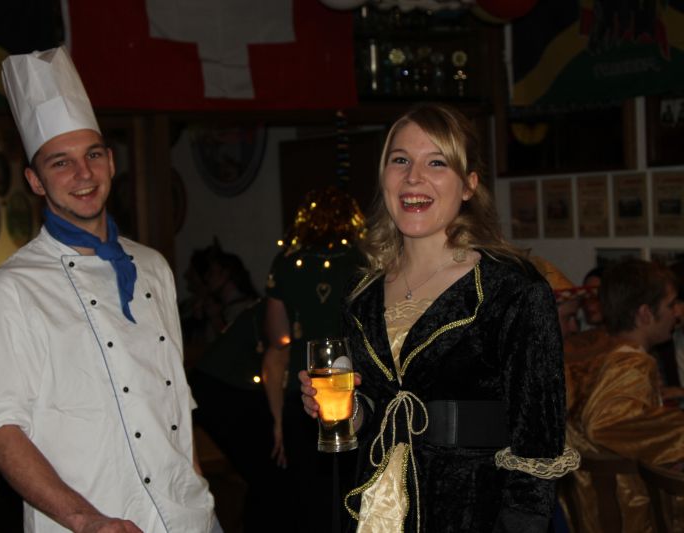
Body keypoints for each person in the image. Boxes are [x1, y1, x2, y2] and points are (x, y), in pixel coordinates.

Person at [0, 47, 219, 533]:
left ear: (110, 161)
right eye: (61, 163)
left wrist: (198, 498)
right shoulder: (9, 289)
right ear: (35, 181)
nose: (83, 174)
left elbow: (174, 402)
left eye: (93, 154)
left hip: (189, 519)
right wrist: (87, 521)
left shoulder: (153, 267)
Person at [299, 103, 578, 532]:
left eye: (436, 162)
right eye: (400, 160)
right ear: (384, 176)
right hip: (374, 507)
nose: (414, 177)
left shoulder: (512, 290)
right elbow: (375, 406)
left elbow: (537, 445)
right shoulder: (361, 294)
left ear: (469, 185)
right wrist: (347, 413)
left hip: (472, 513)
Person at [263, 185, 366, 532]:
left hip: (305, 398)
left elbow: (278, 344)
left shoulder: (287, 263)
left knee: (310, 504)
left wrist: (277, 423)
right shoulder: (364, 260)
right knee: (353, 499)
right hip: (356, 396)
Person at [563, 258, 684, 532]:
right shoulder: (631, 363)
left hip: (591, 508)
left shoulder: (595, 354)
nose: (676, 312)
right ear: (645, 314)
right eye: (670, 304)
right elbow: (604, 422)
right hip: (626, 511)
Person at [187, 248, 280, 531]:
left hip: (238, 391)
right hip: (221, 391)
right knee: (259, 472)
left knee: (260, 472)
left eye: (214, 272)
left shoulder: (249, 308)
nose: (207, 278)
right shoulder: (219, 307)